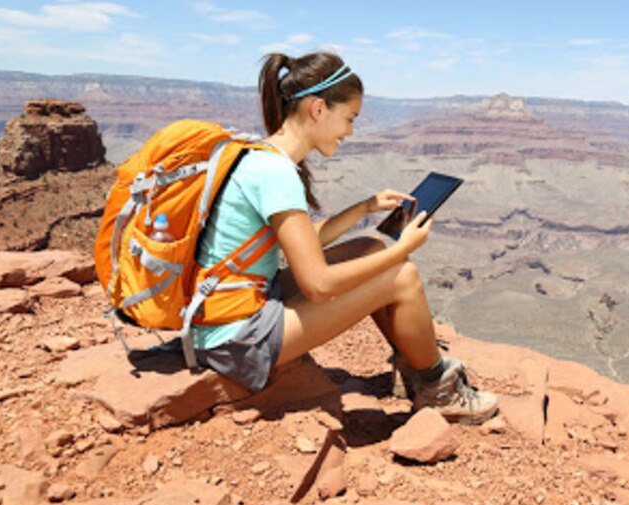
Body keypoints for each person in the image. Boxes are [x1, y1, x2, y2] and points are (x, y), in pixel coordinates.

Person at [191, 51, 498, 424]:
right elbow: (318, 285)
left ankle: (412, 366)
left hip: (233, 310)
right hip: (237, 339)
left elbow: (304, 240)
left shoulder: (262, 155)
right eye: (349, 118)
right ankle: (438, 389)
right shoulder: (276, 174)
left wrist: (364, 208)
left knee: (368, 247)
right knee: (401, 274)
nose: (350, 131)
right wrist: (402, 249)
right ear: (318, 109)